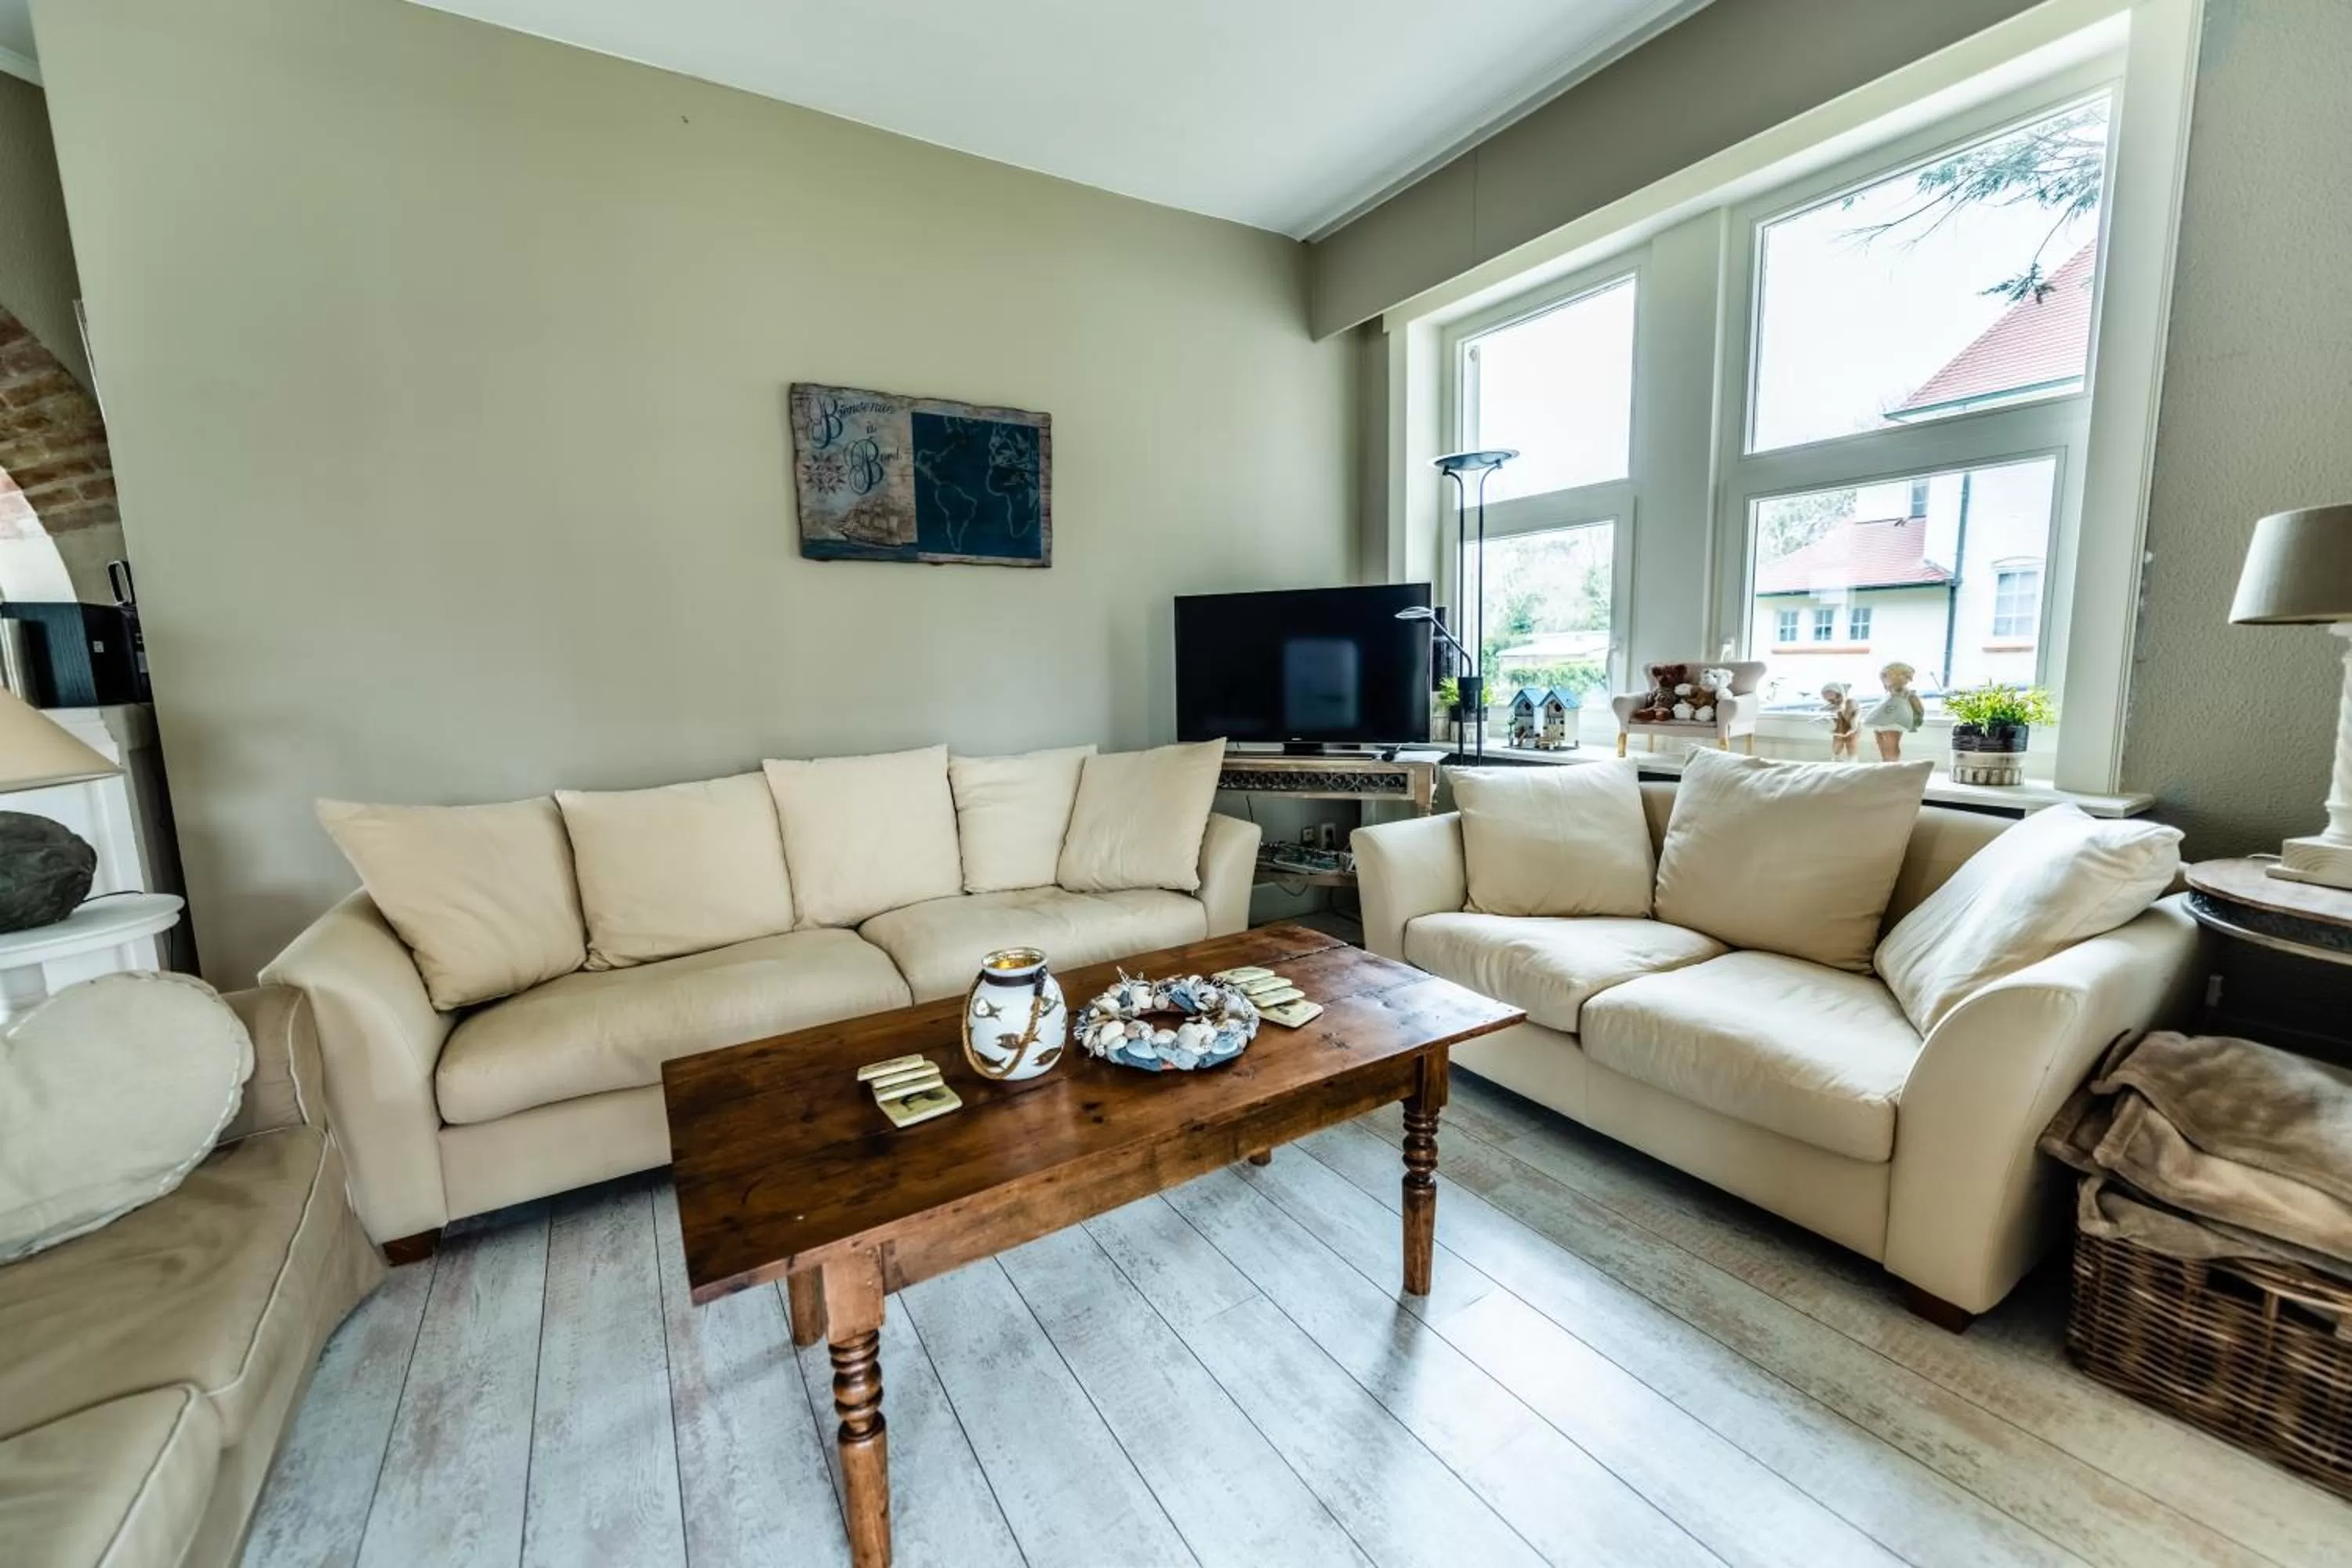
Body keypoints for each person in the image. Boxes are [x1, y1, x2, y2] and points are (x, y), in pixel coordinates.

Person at [1863, 662, 1925, 760]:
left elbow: (1918, 706)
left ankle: (1893, 762)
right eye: (1884, 677)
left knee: (1891, 740)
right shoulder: (1889, 693)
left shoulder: (1907, 693)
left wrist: (1918, 717)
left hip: (1895, 719)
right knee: (1880, 738)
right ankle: (1886, 760)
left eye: (1886, 676)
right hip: (1883, 718)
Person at [1820, 681, 1860, 761]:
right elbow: (1827, 711)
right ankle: (1836, 757)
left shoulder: (1850, 702)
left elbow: (1856, 712)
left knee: (1851, 741)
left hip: (1851, 725)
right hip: (1840, 727)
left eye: (1830, 694)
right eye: (1826, 696)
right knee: (1838, 741)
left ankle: (1852, 759)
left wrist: (1854, 722)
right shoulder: (1833, 705)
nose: (1830, 699)